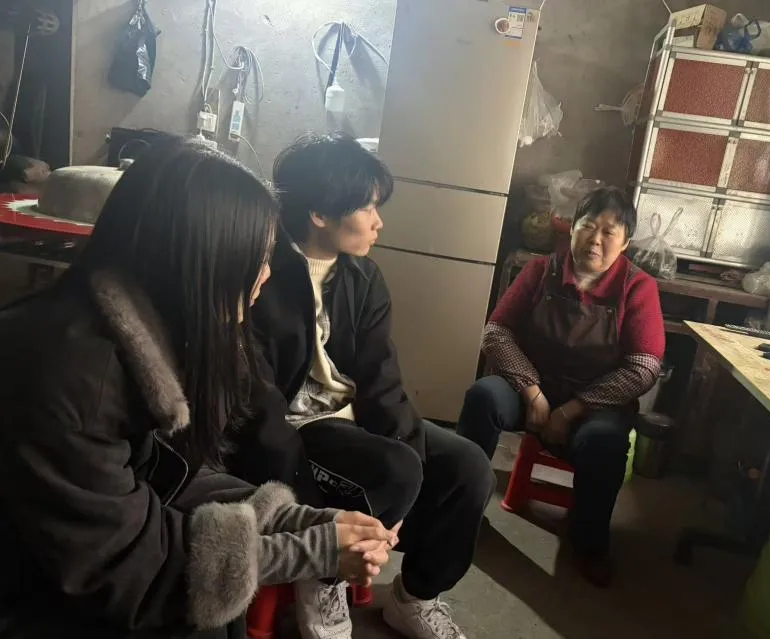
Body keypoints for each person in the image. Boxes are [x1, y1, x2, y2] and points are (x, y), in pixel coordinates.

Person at [0, 139, 398, 639]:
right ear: (197, 259)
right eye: (256, 258)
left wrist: (299, 519)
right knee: (207, 612)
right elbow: (128, 565)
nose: (267, 275)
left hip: (86, 564)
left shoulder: (153, 332)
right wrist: (312, 551)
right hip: (33, 595)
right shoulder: (73, 378)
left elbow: (172, 471)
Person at [252, 133, 496, 639]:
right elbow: (258, 401)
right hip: (292, 429)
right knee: (394, 471)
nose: (378, 222)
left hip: (347, 419)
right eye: (367, 207)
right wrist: (295, 496)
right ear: (320, 213)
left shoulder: (363, 278)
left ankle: (415, 597)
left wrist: (412, 476)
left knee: (467, 466)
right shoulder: (261, 274)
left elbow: (382, 380)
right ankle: (323, 574)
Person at [457, 186, 665, 588]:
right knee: (483, 397)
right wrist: (532, 391)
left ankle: (588, 543)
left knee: (605, 442)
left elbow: (642, 368)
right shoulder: (541, 271)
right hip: (533, 387)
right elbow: (497, 332)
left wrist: (573, 409)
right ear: (572, 228)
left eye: (609, 231)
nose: (595, 239)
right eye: (588, 226)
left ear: (625, 243)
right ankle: (462, 510)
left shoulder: (638, 288)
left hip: (596, 403)